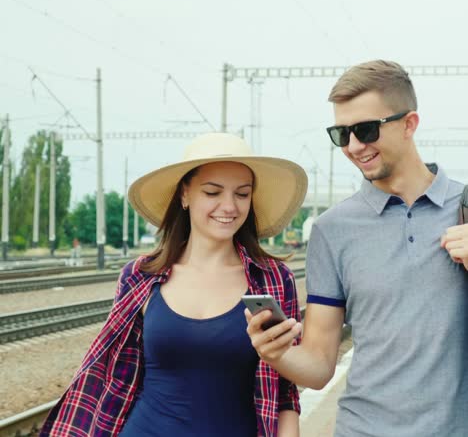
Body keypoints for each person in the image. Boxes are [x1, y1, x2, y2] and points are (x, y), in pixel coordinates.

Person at [245, 60, 468, 436]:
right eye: (340, 134)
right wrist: (277, 352)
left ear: (409, 124)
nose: (353, 147)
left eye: (365, 130)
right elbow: (318, 367)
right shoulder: (332, 230)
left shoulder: (464, 207)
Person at [40, 132, 308, 437]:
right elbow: (112, 377)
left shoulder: (272, 279)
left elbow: (285, 393)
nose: (229, 206)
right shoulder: (141, 276)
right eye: (212, 192)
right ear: (184, 195)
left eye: (242, 194)